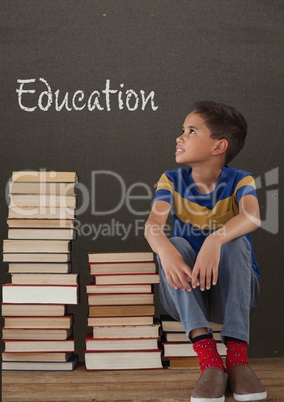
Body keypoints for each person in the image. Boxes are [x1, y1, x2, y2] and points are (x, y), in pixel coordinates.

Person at [144, 101, 267, 402]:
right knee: (177, 243)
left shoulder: (241, 180)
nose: (180, 137)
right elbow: (153, 226)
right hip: (187, 294)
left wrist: (215, 241)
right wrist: (168, 251)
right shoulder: (170, 181)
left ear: (218, 146)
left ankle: (237, 360)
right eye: (182, 130)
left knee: (236, 241)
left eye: (191, 131)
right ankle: (210, 361)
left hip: (234, 295)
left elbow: (252, 216)